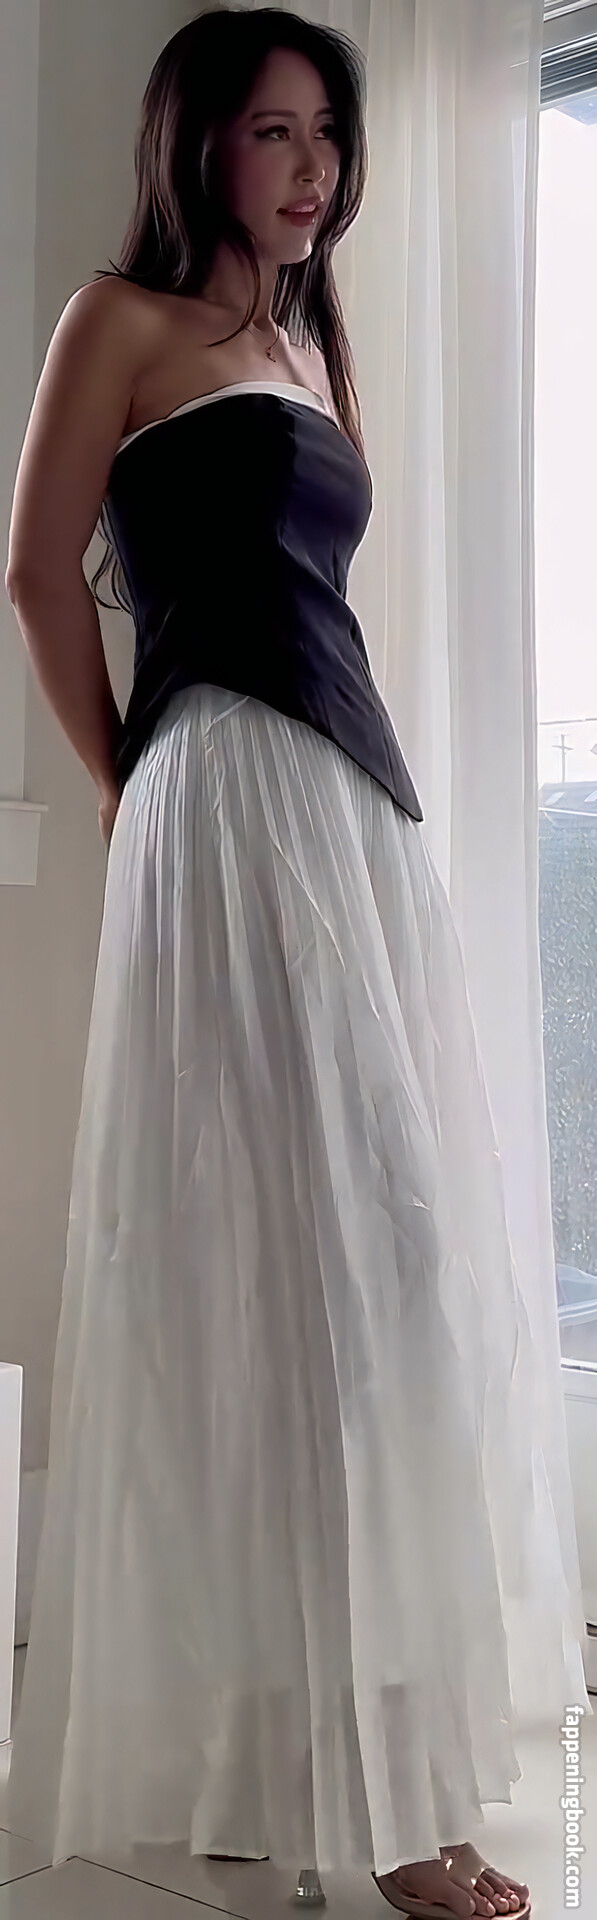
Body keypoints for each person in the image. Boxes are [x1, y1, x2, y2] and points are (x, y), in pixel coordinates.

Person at [5, 7, 581, 1914]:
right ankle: (373, 1806)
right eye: (273, 132)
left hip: (348, 806)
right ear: (200, 146)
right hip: (222, 791)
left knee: (373, 1271)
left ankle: (293, 1757)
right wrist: (128, 781)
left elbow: (331, 596)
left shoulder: (316, 347)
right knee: (292, 1275)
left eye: (328, 133)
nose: (313, 167)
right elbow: (37, 572)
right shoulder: (119, 320)